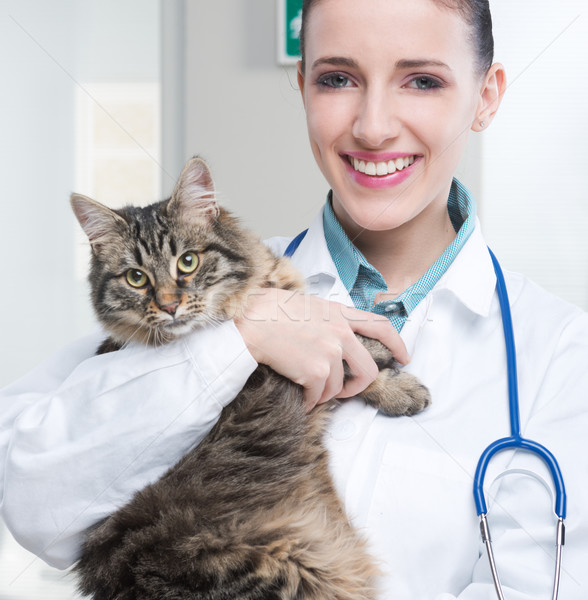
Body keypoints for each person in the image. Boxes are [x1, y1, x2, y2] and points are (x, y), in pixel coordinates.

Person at [1, 0, 588, 597]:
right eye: (337, 79)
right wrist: (239, 339)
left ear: (486, 96)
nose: (373, 126)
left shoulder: (560, 352)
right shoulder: (200, 305)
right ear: (303, 86)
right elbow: (31, 496)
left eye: (422, 81)